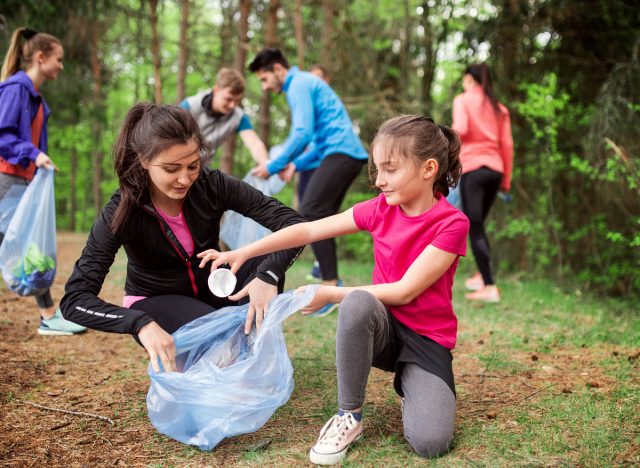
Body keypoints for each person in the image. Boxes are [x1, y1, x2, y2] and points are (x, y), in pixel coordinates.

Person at [199, 115, 469, 464]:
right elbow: (308, 231)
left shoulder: (451, 223)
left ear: (428, 168)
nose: (380, 181)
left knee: (431, 443)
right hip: (381, 327)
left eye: (390, 169)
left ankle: (412, 382)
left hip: (426, 340)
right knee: (359, 302)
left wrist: (327, 294)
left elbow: (404, 291)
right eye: (377, 169)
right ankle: (348, 416)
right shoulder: (380, 209)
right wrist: (244, 252)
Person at [60, 103, 306, 372]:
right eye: (171, 169)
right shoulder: (122, 211)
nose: (185, 179)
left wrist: (267, 275)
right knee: (219, 341)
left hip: (213, 285)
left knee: (265, 263)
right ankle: (228, 356)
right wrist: (138, 322)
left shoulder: (212, 184)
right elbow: (75, 300)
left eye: (193, 165)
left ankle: (244, 355)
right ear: (144, 160)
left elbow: (293, 224)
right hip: (156, 300)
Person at [248, 48, 368, 303]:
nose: (265, 86)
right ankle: (332, 284)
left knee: (311, 211)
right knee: (321, 218)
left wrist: (273, 165)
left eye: (264, 79)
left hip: (342, 153)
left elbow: (302, 133)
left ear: (278, 69)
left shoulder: (298, 84)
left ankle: (329, 285)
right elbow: (318, 145)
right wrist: (295, 166)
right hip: (342, 154)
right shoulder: (305, 83)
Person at [0, 27, 86, 336]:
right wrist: (34, 155)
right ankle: (48, 316)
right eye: (58, 60)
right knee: (19, 244)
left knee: (30, 246)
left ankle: (48, 316)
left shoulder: (34, 96)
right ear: (40, 57)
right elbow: (3, 135)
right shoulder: (15, 89)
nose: (62, 66)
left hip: (21, 179)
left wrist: (39, 162)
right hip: (6, 179)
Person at [452, 63, 514, 303]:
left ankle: (489, 287)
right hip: (495, 171)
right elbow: (507, 144)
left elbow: (462, 129)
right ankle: (481, 275)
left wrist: (441, 142)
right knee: (479, 224)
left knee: (474, 226)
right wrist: (506, 179)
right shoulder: (499, 108)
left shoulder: (463, 100)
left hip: (474, 169)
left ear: (469, 78)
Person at [179, 67, 269, 166]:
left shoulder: (238, 116)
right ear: (216, 90)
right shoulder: (189, 106)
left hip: (203, 167)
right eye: (228, 99)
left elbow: (254, 143)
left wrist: (266, 164)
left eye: (237, 101)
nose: (232, 105)